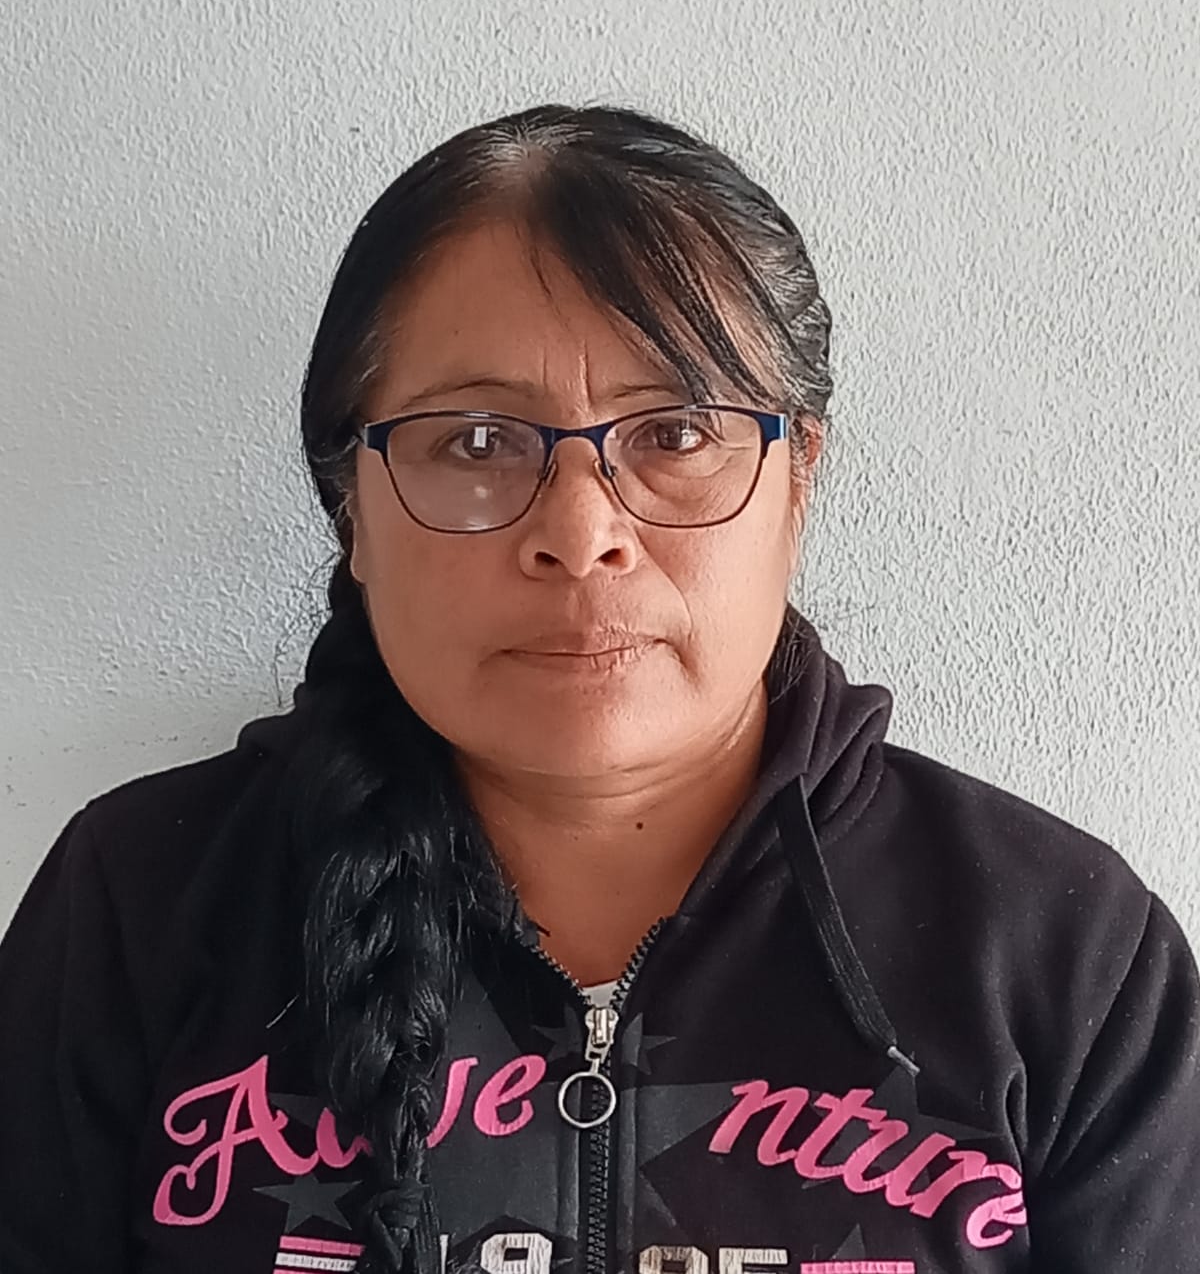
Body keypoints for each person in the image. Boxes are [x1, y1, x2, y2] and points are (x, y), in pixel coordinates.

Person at [0, 103, 1197, 1274]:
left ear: (798, 482)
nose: (581, 536)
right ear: (351, 507)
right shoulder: (138, 910)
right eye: (476, 441)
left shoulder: (1064, 954)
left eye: (675, 433)